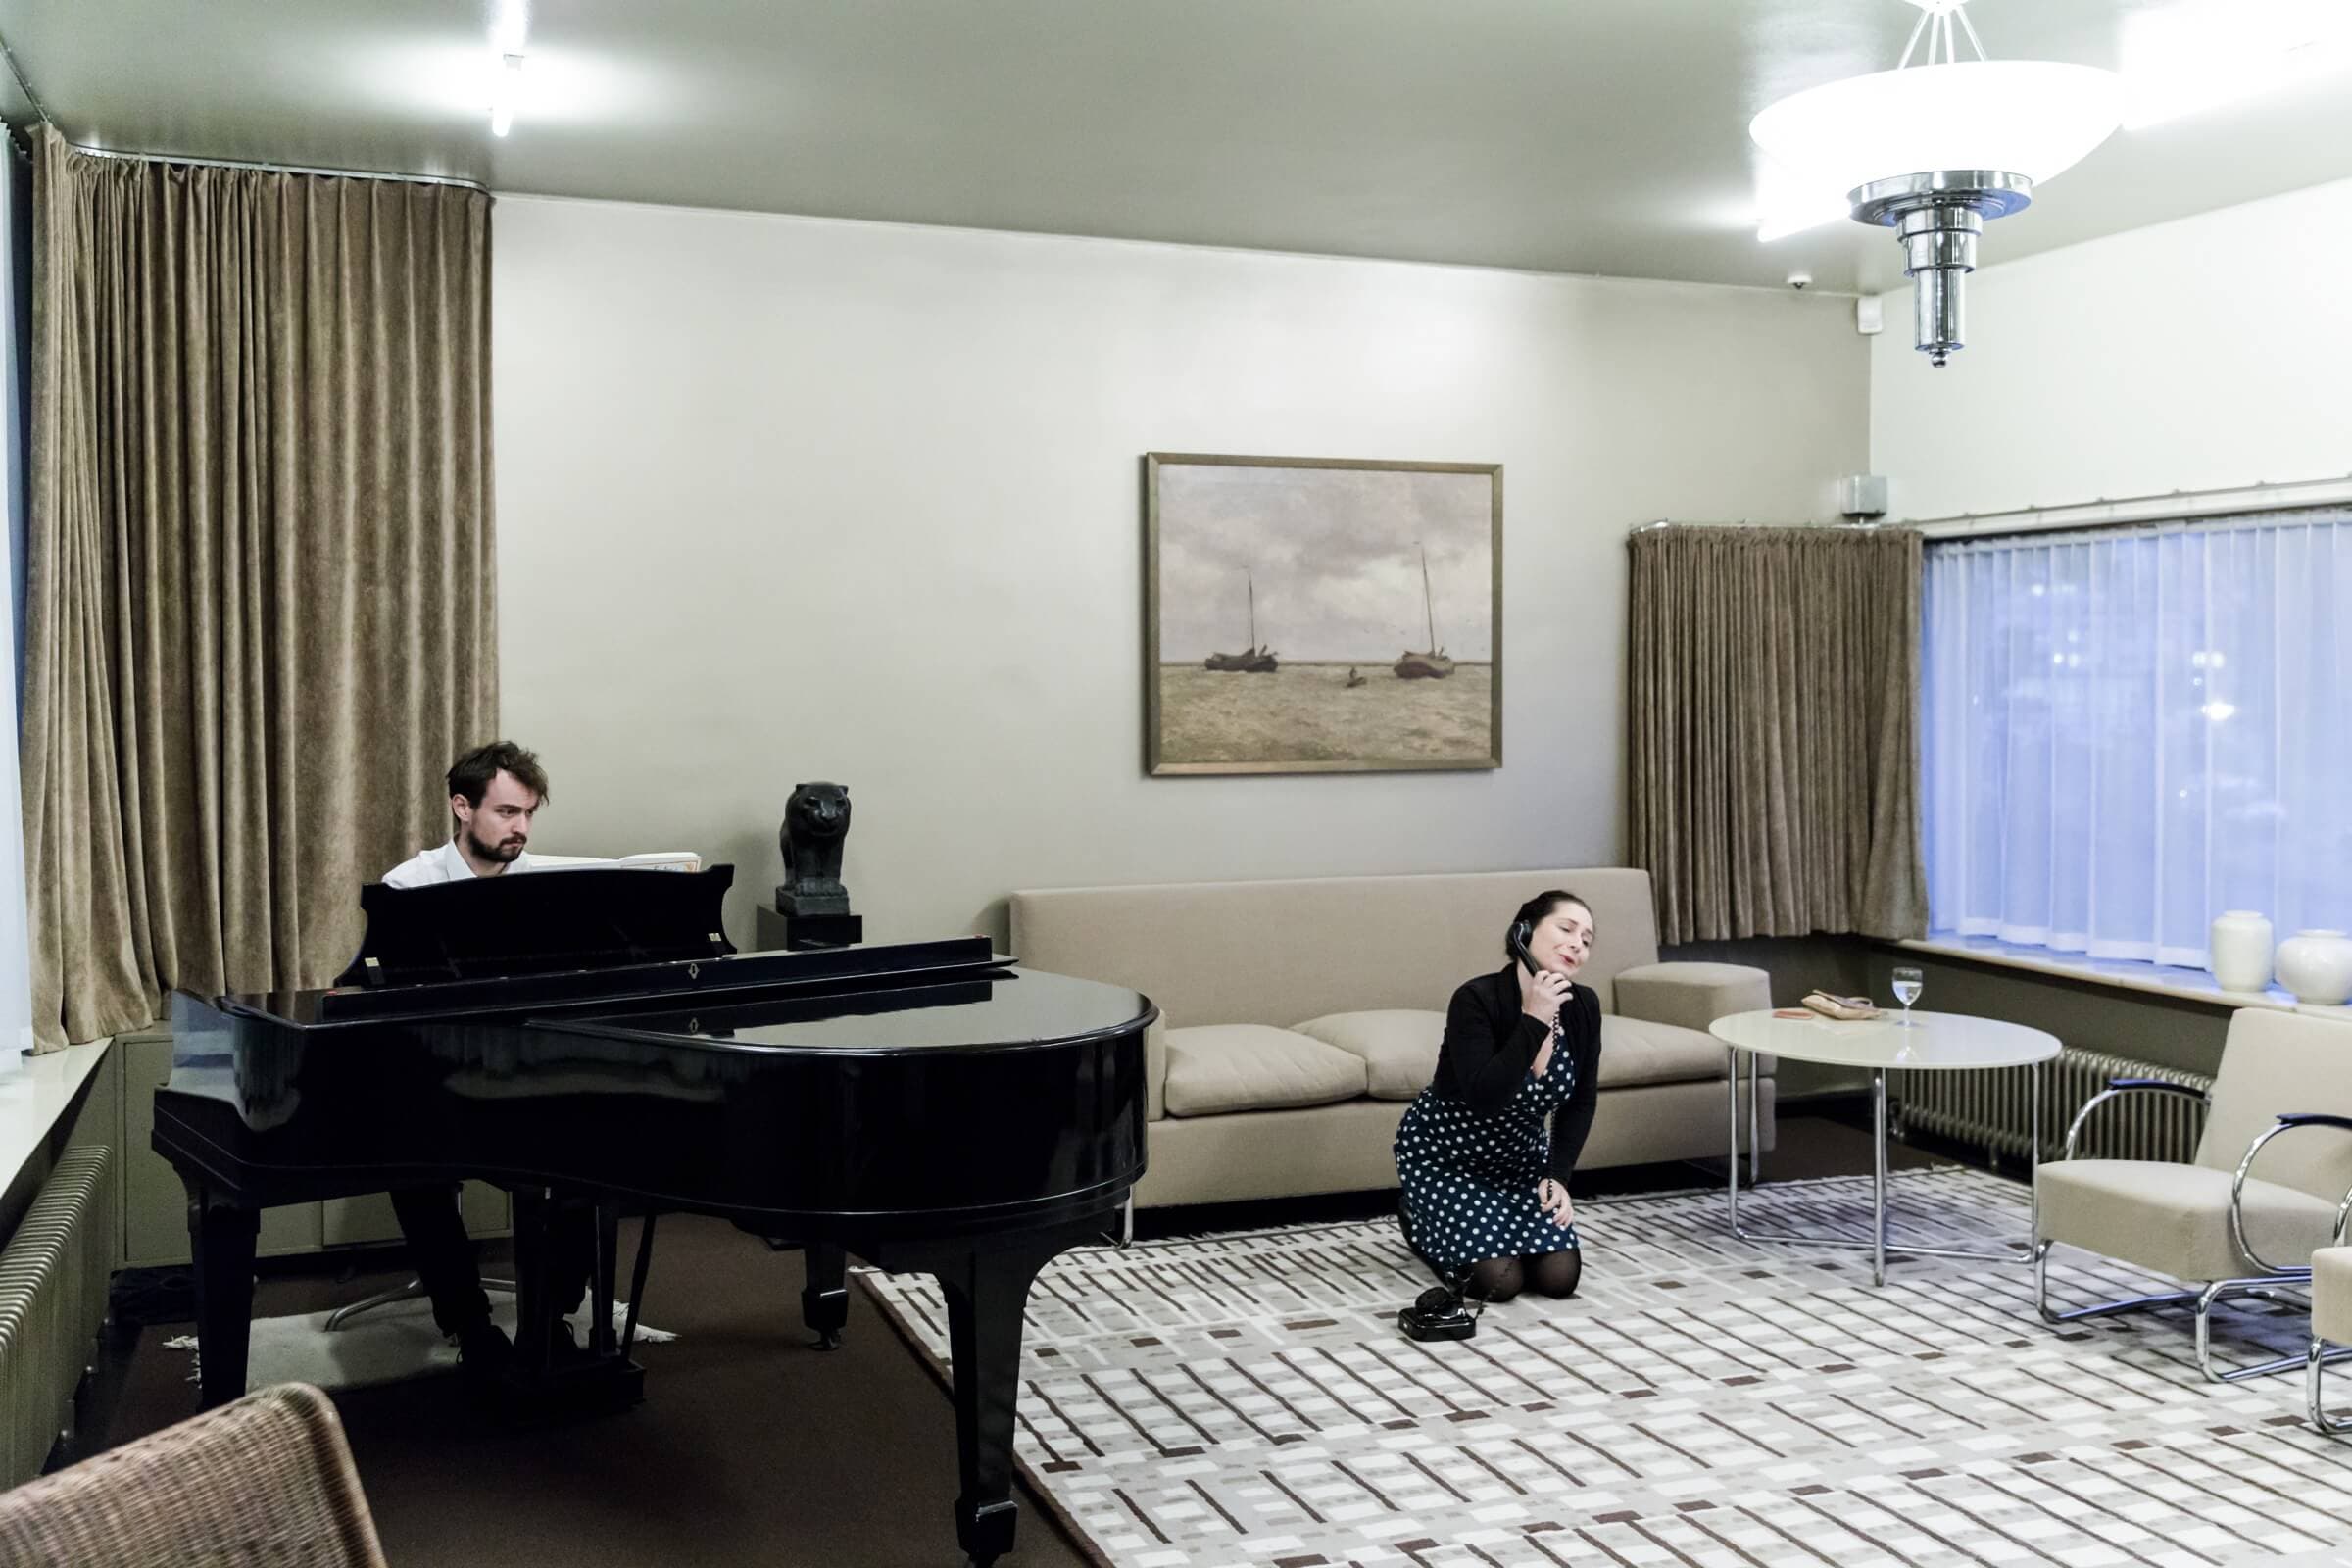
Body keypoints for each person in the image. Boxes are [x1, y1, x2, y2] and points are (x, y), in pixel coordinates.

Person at [377, 741, 592, 1379]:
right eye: (506, 812)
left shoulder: (552, 887)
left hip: (531, 1073)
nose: (521, 827)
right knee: (413, 1167)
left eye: (527, 813)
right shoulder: (407, 888)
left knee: (598, 1156)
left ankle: (552, 1314)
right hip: (435, 1076)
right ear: (462, 807)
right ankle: (468, 1323)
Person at [1393, 890, 1602, 1302]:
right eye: (1566, 929)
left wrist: (1557, 1177)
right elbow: (1485, 1095)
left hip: (1521, 1160)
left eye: (1587, 939)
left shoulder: (1584, 1007)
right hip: (1448, 1158)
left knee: (1559, 1277)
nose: (1577, 943)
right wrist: (1535, 1020)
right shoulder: (1475, 999)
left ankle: (1478, 1226)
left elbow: (1581, 1100)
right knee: (1498, 1282)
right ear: (1523, 931)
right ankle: (1417, 1217)